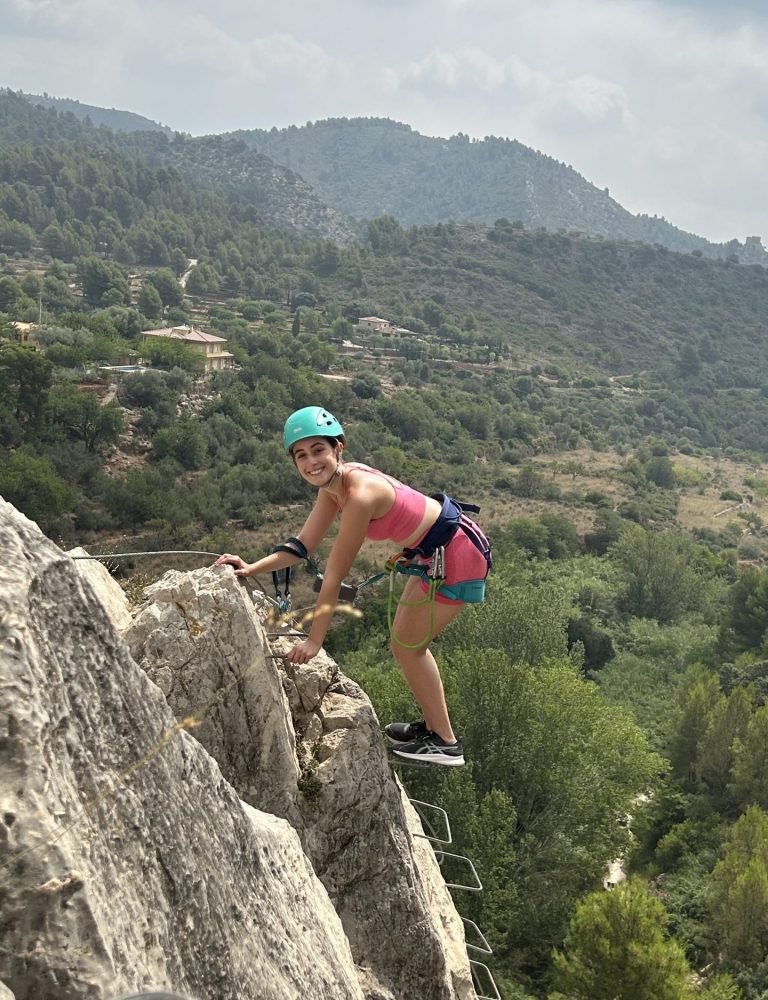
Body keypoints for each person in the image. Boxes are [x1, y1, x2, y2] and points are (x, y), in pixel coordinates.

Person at [215, 406, 490, 766]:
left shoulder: (358, 495)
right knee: (405, 643)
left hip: (456, 556)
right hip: (435, 551)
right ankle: (434, 729)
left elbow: (334, 574)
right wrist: (251, 568)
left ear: (338, 449)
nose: (311, 461)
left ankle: (445, 742)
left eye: (318, 450)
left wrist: (315, 639)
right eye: (301, 455)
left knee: (408, 647)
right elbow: (302, 546)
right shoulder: (334, 487)